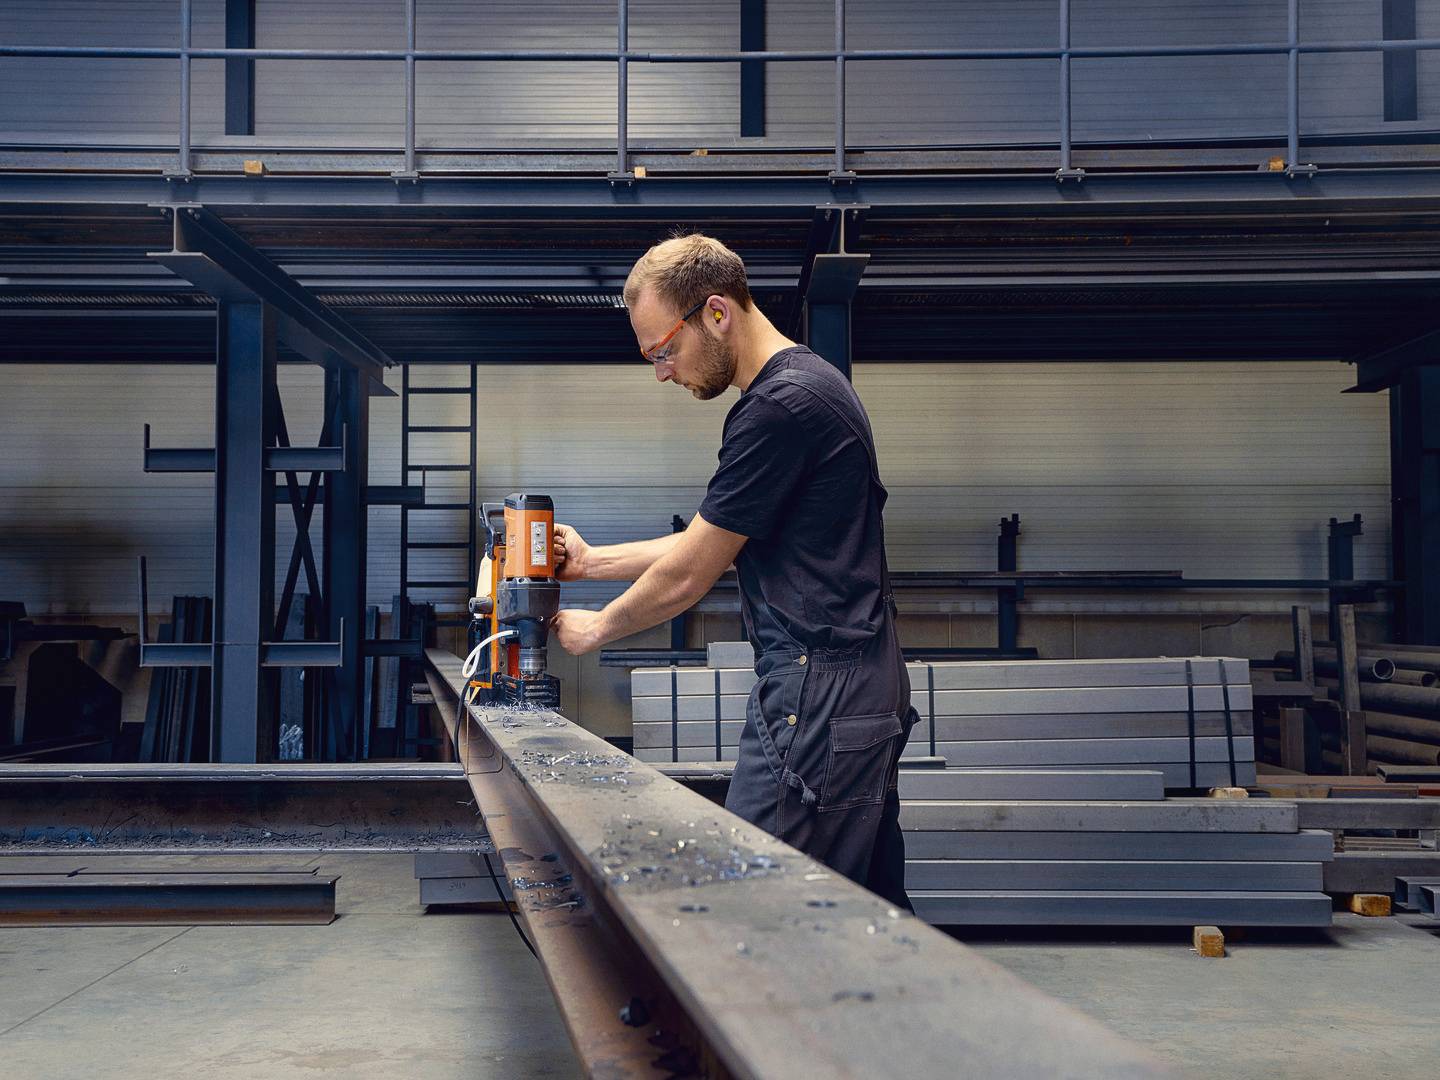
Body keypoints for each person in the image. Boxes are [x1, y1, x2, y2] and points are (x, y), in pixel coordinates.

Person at [551, 233, 914, 909]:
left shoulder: (778, 408)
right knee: (868, 908)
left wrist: (594, 631)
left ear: (716, 313)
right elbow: (712, 540)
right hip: (859, 682)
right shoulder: (812, 384)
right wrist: (592, 562)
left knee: (760, 909)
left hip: (819, 694)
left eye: (665, 350)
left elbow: (690, 577)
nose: (662, 371)